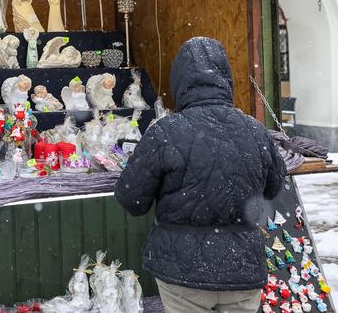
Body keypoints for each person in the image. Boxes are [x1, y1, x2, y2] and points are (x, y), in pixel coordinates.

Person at [114, 37, 286, 313]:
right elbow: (275, 186)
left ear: (179, 82)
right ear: (225, 79)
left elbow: (131, 198)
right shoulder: (255, 131)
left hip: (183, 274)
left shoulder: (165, 132)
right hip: (242, 269)